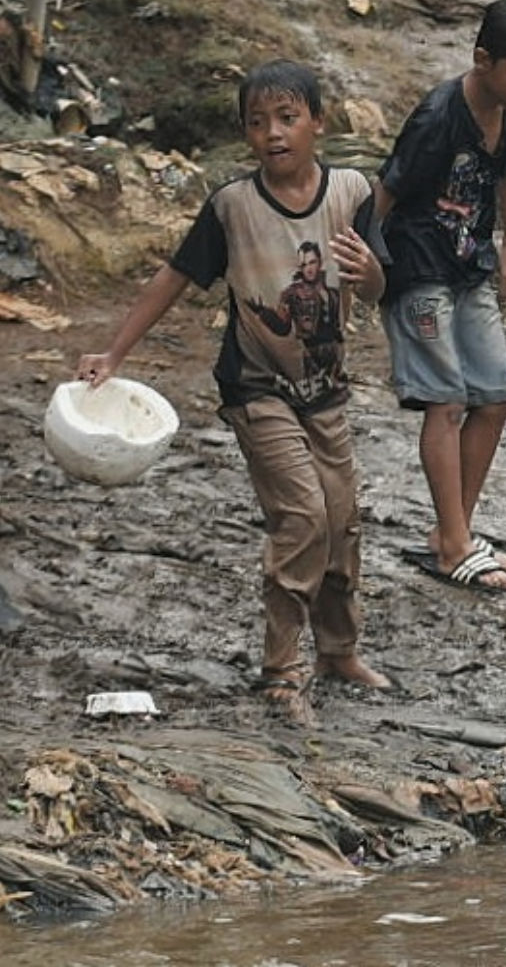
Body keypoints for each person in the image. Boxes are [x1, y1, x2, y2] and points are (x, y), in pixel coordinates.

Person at [78, 60, 392, 719]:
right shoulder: (232, 207)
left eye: (287, 119)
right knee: (302, 517)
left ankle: (339, 648)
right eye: (258, 123)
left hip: (326, 388)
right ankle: (283, 668)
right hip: (256, 386)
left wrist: (371, 277)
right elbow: (174, 278)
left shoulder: (354, 191)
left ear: (318, 124)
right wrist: (114, 353)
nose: (273, 134)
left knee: (341, 521)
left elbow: (377, 282)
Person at [375, 0, 506, 592]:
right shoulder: (438, 118)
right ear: (482, 59)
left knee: (497, 394)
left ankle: (452, 530)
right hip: (418, 267)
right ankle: (455, 545)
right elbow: (385, 193)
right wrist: (363, 271)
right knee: (446, 402)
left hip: (469, 263)